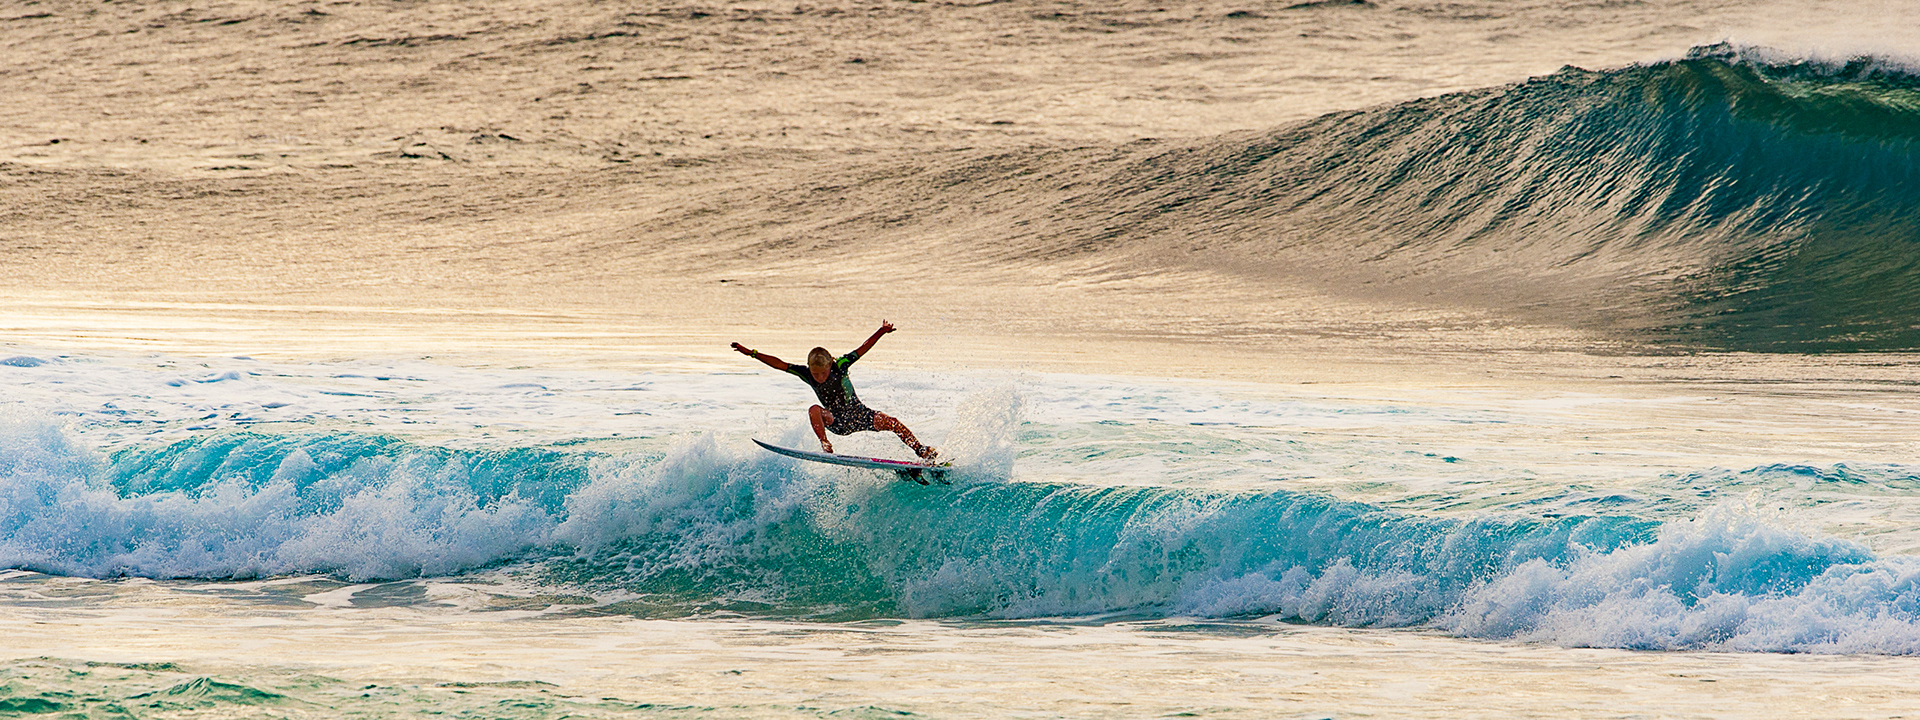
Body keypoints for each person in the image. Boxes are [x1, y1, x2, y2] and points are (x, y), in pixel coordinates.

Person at [731, 321, 937, 462]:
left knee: (893, 423)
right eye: (815, 373)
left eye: (822, 373)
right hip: (835, 421)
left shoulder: (841, 365)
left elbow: (863, 348)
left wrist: (881, 331)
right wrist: (751, 353)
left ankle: (922, 451)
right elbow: (779, 364)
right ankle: (825, 443)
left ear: (830, 364)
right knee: (813, 409)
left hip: (859, 415)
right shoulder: (806, 373)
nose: (819, 377)